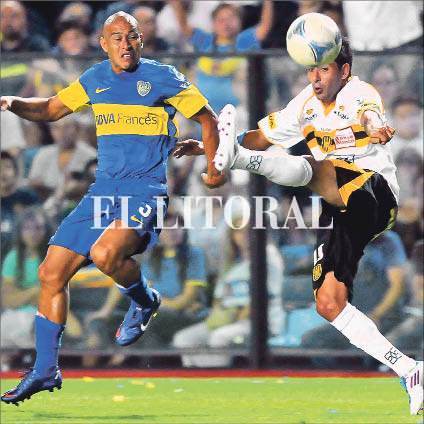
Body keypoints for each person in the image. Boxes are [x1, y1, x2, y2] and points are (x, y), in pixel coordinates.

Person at [174, 38, 423, 415]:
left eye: (324, 69)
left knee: (316, 166)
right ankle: (409, 369)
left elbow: (371, 115)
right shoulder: (303, 104)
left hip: (375, 194)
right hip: (339, 208)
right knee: (329, 303)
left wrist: (377, 127)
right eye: (311, 69)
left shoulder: (359, 93)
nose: (315, 77)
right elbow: (261, 137)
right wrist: (210, 147)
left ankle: (236, 159)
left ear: (344, 71)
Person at [0, 11, 224, 405]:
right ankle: (46, 369)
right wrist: (13, 102)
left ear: (141, 40)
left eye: (132, 36)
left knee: (105, 254)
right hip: (102, 191)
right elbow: (50, 109)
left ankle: (144, 299)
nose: (125, 43)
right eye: (116, 37)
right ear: (103, 44)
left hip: (146, 191)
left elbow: (208, 120)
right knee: (50, 272)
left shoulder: (164, 77)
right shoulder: (95, 78)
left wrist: (214, 167)